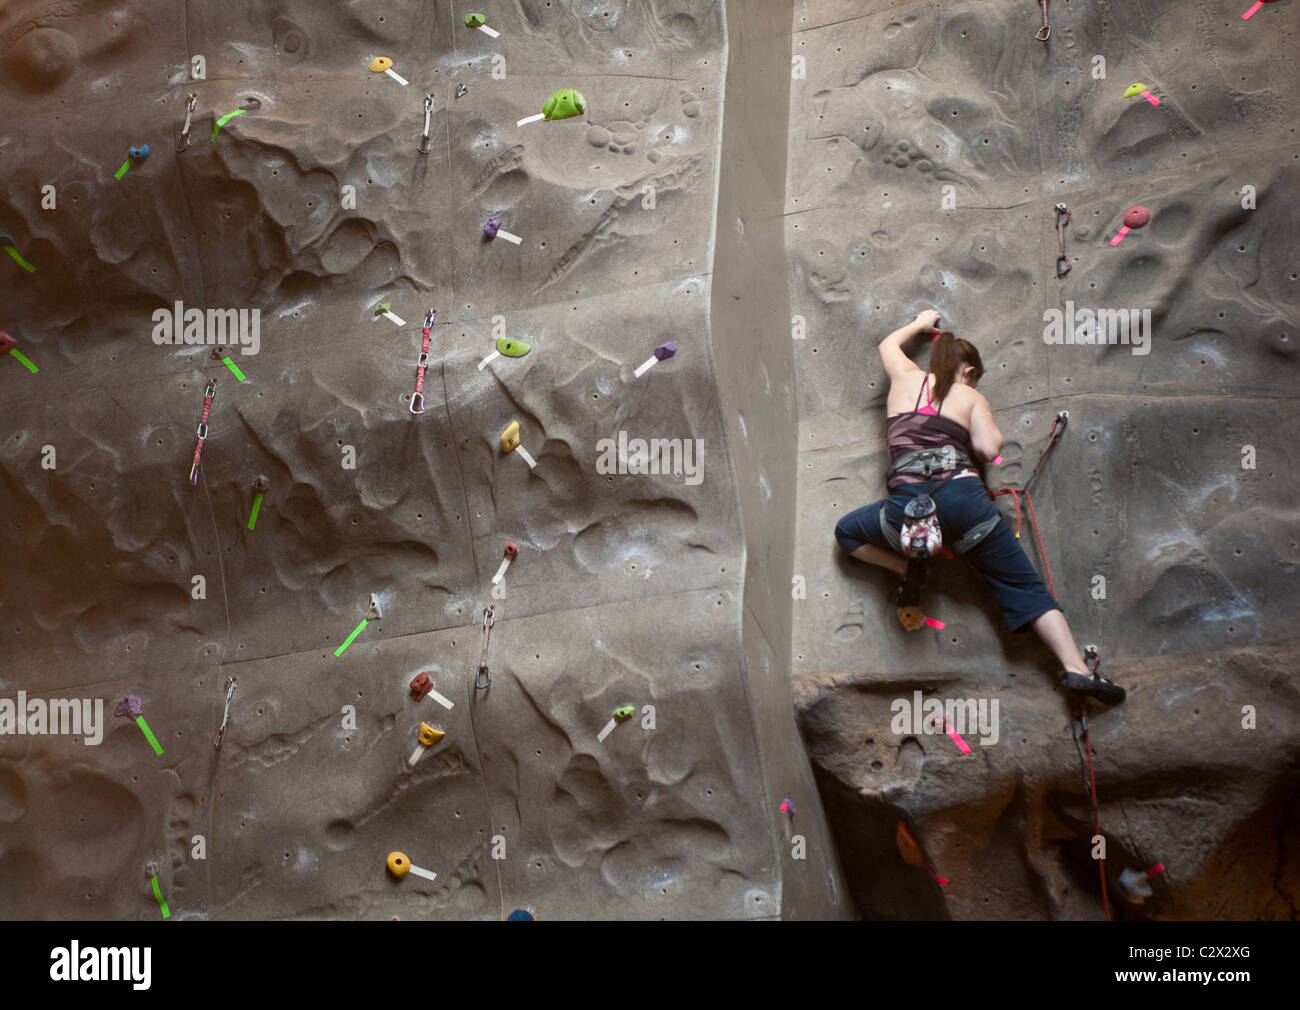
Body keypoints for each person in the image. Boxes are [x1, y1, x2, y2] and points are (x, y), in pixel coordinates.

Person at [833, 310, 1124, 704]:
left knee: (847, 532)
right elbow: (989, 449)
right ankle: (1075, 669)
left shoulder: (904, 379)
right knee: (1023, 586)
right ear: (967, 371)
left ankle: (908, 565)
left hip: (908, 510)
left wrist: (920, 324)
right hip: (963, 503)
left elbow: (888, 344)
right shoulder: (970, 396)